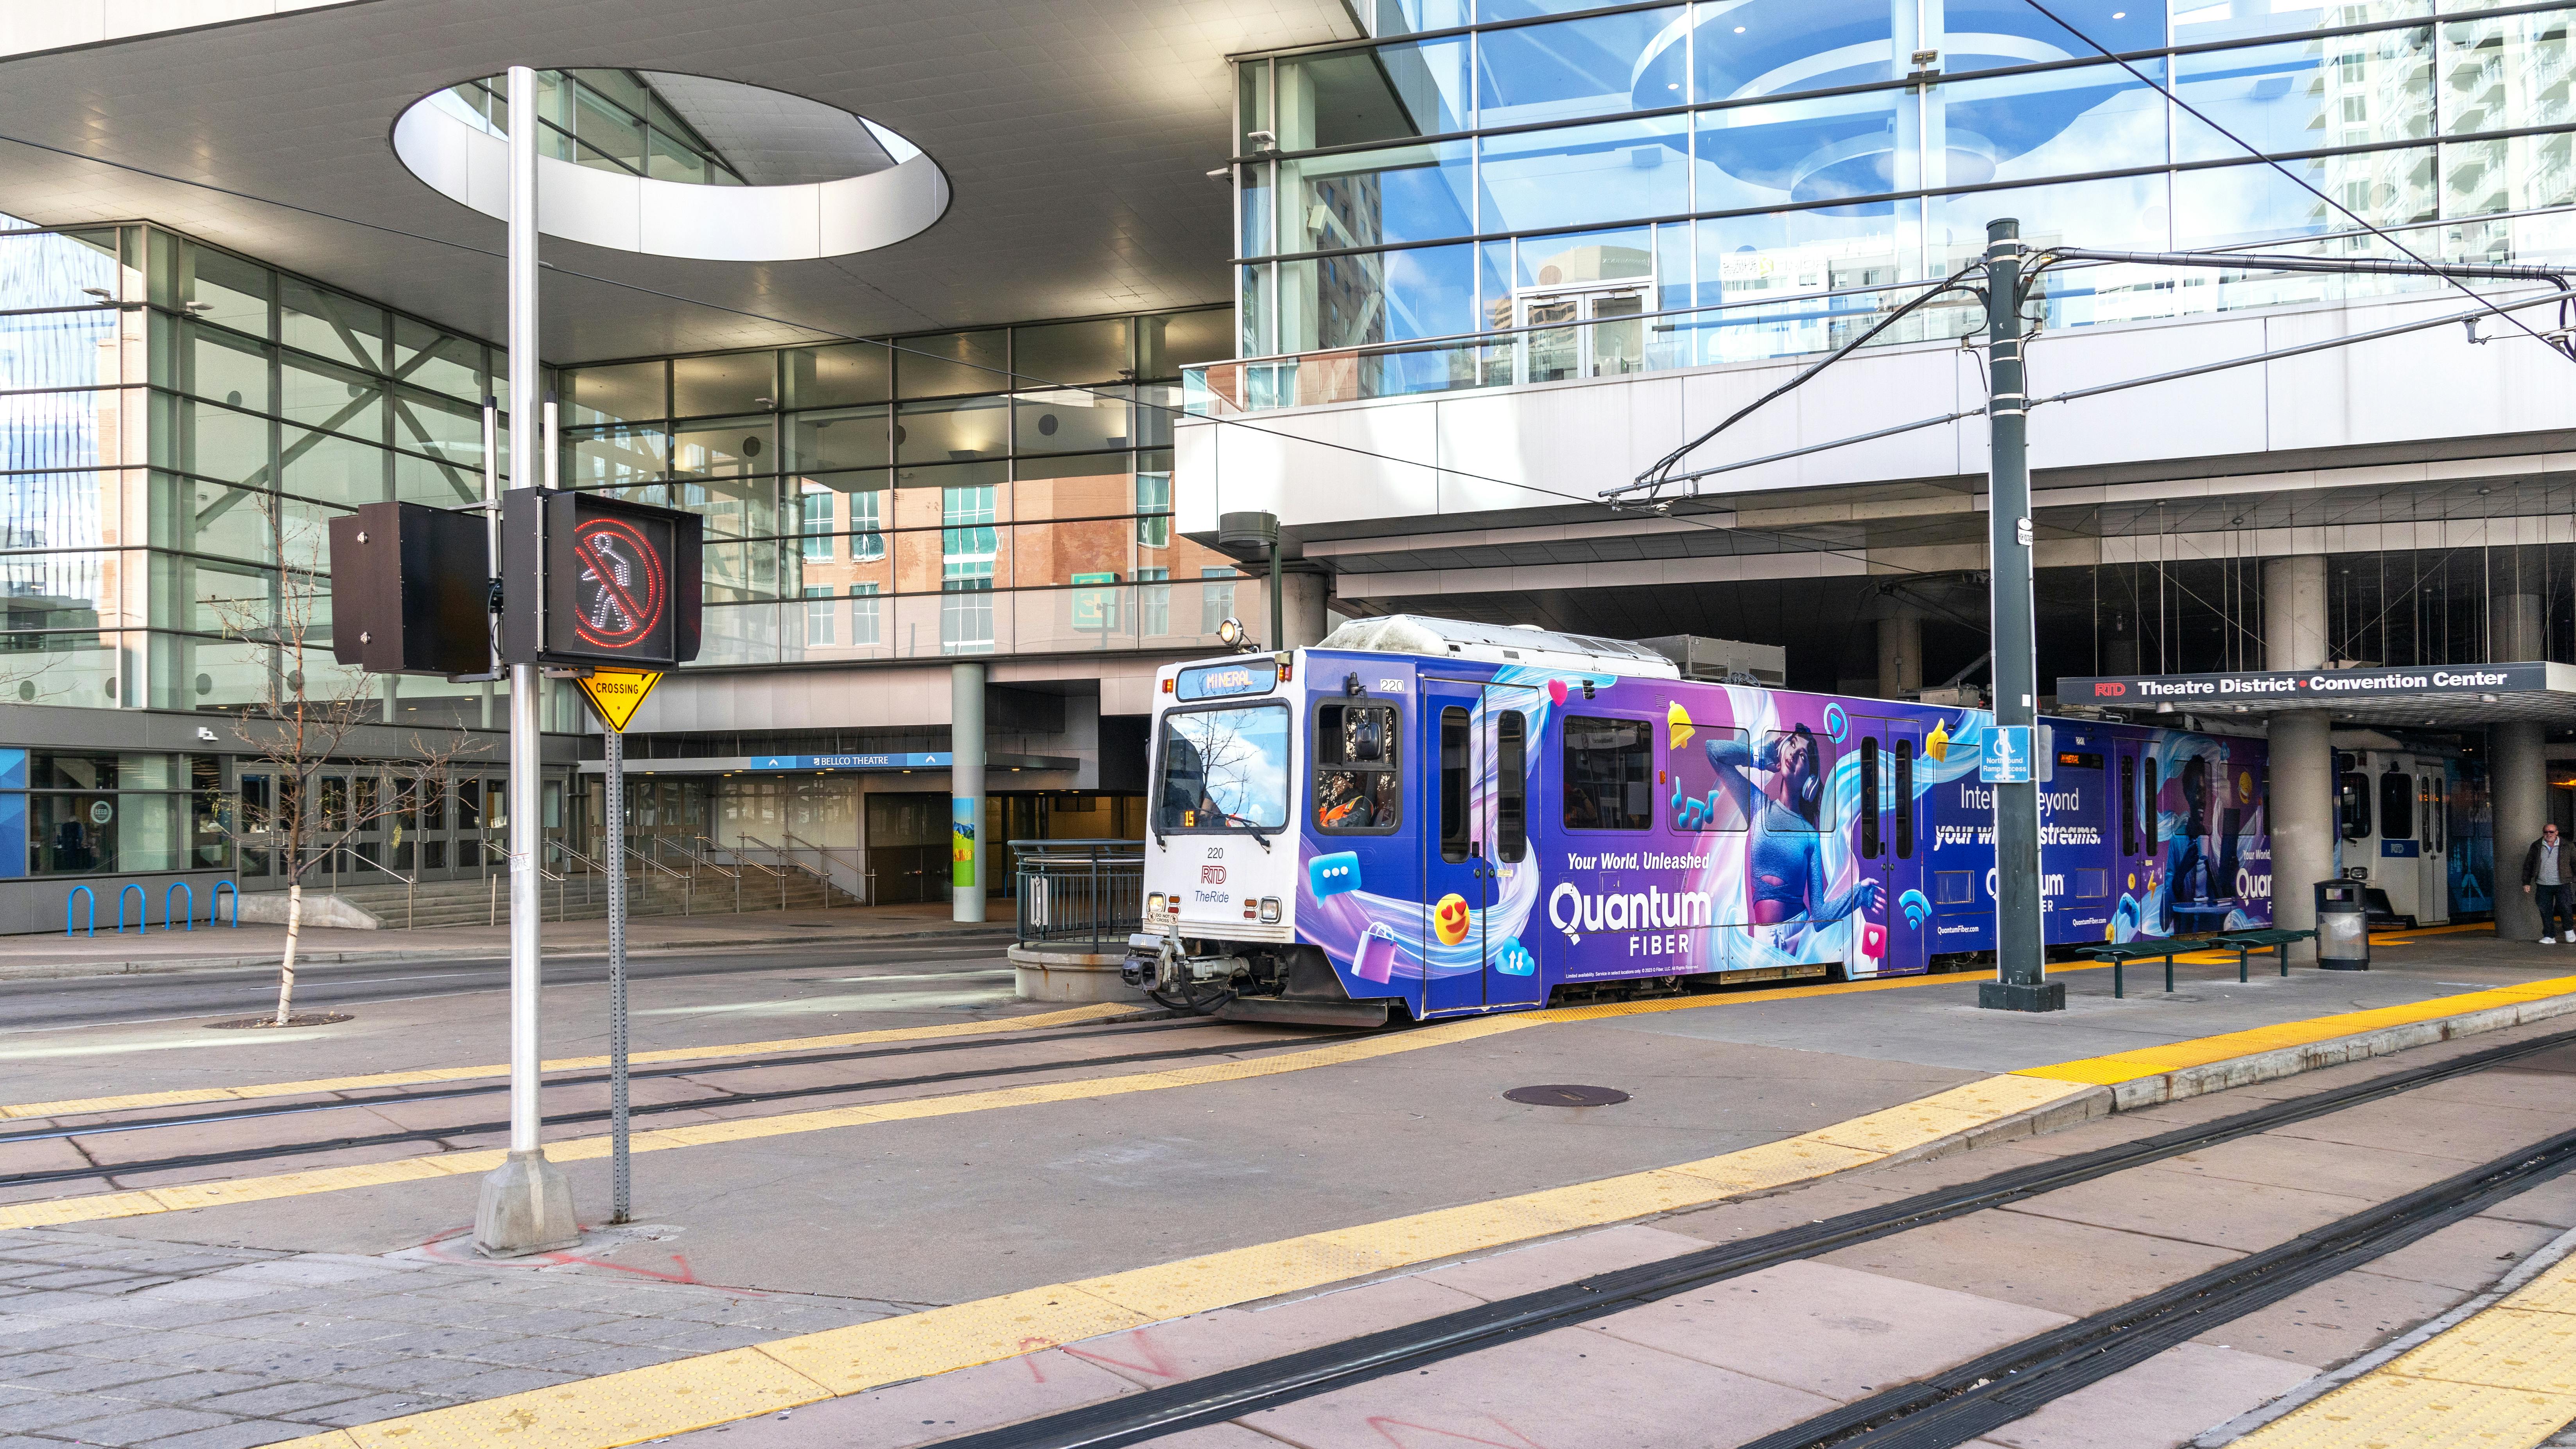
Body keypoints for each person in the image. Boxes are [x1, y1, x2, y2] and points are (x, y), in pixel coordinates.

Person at [2525, 822, 2573, 944]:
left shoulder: (2567, 845)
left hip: (2562, 883)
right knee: (2545, 910)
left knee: (2565, 907)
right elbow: (2529, 864)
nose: (2549, 834)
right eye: (2546, 832)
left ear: (2557, 833)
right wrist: (2526, 882)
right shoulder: (2536, 846)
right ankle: (2549, 936)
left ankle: (2569, 930)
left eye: (2551, 832)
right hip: (2543, 884)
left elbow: (2575, 862)